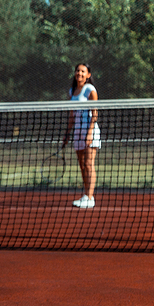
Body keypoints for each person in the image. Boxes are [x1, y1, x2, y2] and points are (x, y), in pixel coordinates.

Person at [62, 63, 100, 209]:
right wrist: (67, 134)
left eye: (83, 71)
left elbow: (95, 113)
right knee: (82, 165)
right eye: (78, 70)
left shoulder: (90, 90)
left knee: (89, 164)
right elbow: (72, 116)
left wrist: (90, 132)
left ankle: (90, 198)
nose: (80, 73)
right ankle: (86, 195)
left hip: (89, 131)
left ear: (88, 75)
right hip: (77, 132)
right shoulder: (72, 91)